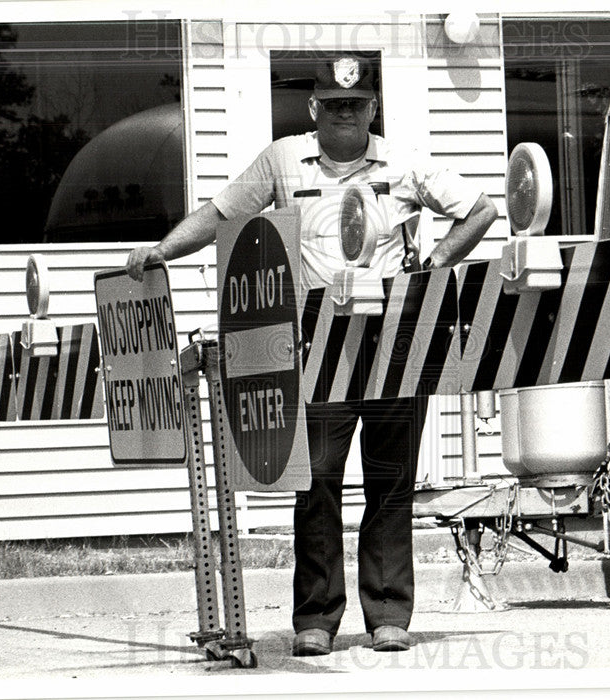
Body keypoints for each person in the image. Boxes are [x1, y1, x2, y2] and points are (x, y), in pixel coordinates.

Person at [127, 55, 497, 656]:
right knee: (317, 480)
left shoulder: (405, 163)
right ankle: (317, 619)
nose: (345, 114)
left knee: (391, 478)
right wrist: (163, 251)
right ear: (314, 109)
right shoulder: (282, 159)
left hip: (394, 337)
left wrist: (433, 266)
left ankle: (387, 615)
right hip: (316, 340)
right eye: (334, 104)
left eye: (356, 104)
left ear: (373, 108)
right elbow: (223, 213)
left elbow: (479, 209)